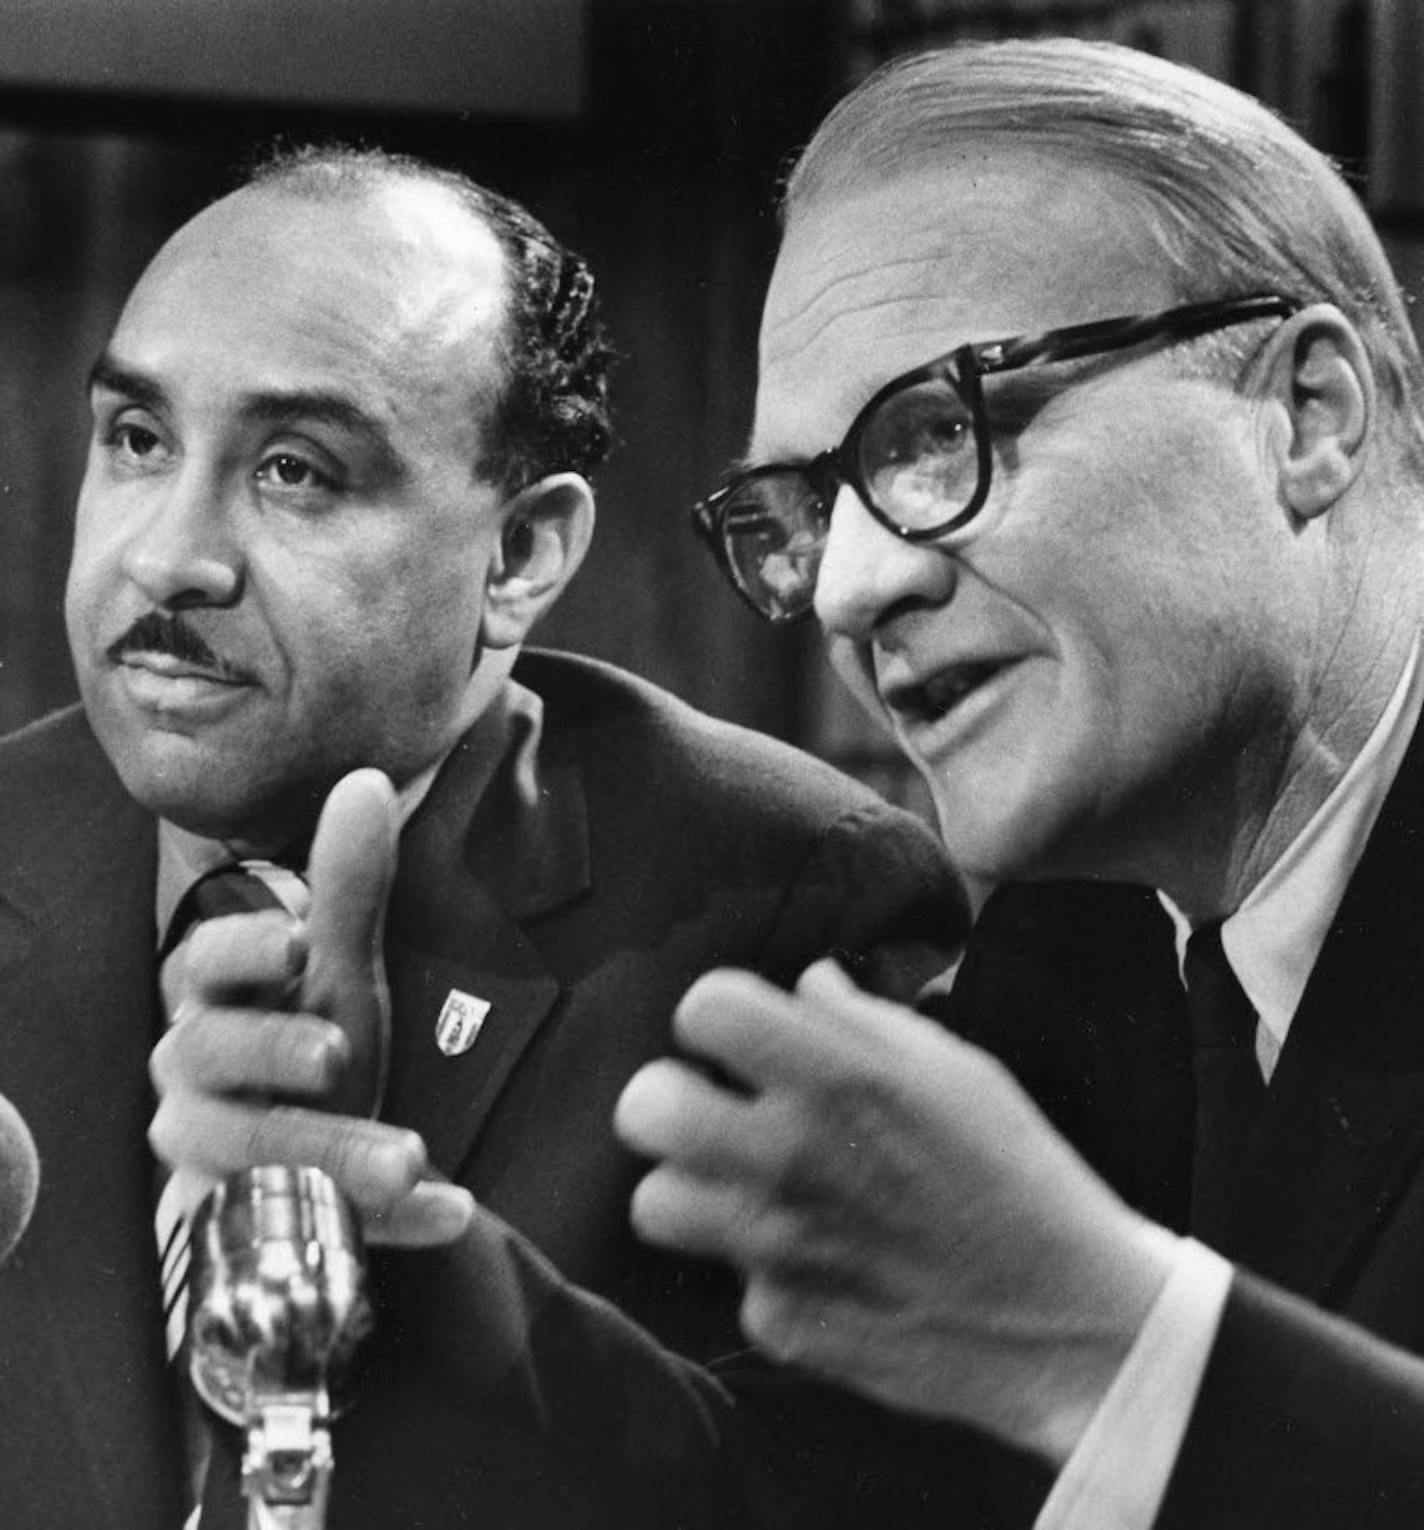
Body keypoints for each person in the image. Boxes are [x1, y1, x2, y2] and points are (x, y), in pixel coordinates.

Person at [0, 144, 970, 1526]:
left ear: (520, 556)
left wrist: (402, 1254)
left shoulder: (785, 903)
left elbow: (850, 1502)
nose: (168, 556)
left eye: (294, 470)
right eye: (137, 439)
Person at [616, 35, 1424, 1530]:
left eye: (937, 433)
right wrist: (400, 1266)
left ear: (1307, 415)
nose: (849, 588)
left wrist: (1114, 1350)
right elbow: (837, 1485)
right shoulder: (1075, 927)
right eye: (798, 508)